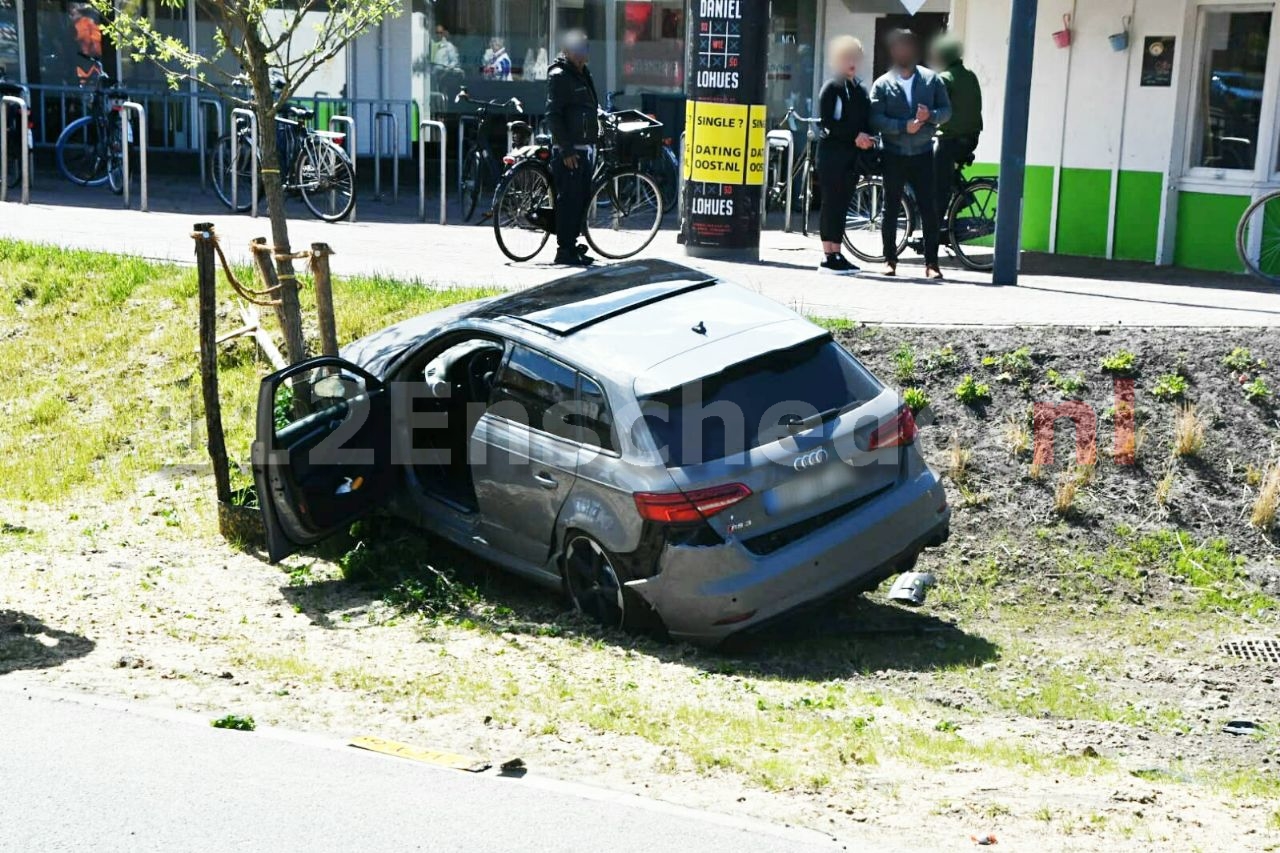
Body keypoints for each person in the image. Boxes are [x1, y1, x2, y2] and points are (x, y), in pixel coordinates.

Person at [870, 29, 951, 280]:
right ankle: (889, 260)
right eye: (898, 46)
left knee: (929, 208)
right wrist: (902, 126)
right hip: (893, 153)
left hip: (923, 153)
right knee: (891, 208)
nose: (903, 51)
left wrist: (931, 116)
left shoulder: (931, 80)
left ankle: (932, 264)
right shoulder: (883, 83)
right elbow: (874, 118)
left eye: (907, 46)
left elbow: (946, 110)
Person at [815, 36, 876, 275]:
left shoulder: (859, 90)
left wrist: (868, 137)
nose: (851, 62)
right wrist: (854, 136)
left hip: (851, 159)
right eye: (846, 57)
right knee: (831, 203)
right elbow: (827, 123)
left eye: (855, 58)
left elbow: (867, 120)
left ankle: (838, 251)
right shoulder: (832, 88)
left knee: (842, 205)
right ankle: (828, 254)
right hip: (832, 157)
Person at [545, 30, 599, 266]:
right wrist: (565, 149)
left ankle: (573, 246)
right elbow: (553, 115)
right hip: (570, 151)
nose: (581, 54)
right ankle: (564, 250)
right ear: (566, 51)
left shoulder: (582, 74)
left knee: (580, 200)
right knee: (569, 201)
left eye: (584, 49)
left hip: (584, 147)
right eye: (576, 49)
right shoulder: (559, 75)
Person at [931, 35, 983, 226]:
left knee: (938, 184)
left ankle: (934, 226)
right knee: (944, 171)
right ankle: (962, 195)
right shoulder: (970, 76)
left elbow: (937, 110)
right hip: (971, 138)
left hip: (951, 140)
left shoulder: (945, 79)